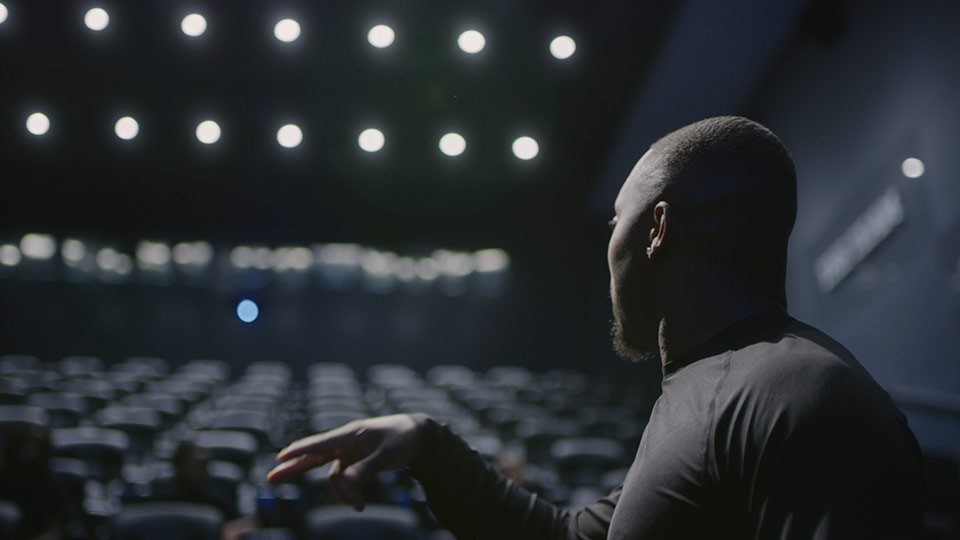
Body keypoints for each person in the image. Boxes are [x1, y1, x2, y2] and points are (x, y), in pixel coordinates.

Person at [267, 116, 925, 538]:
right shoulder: (709, 390)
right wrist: (428, 445)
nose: (608, 248)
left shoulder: (797, 395)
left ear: (659, 230)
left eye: (618, 222)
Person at [0, 423, 72, 540]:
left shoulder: (52, 485)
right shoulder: (2, 479)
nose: (31, 453)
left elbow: (56, 531)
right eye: (25, 446)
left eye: (37, 448)